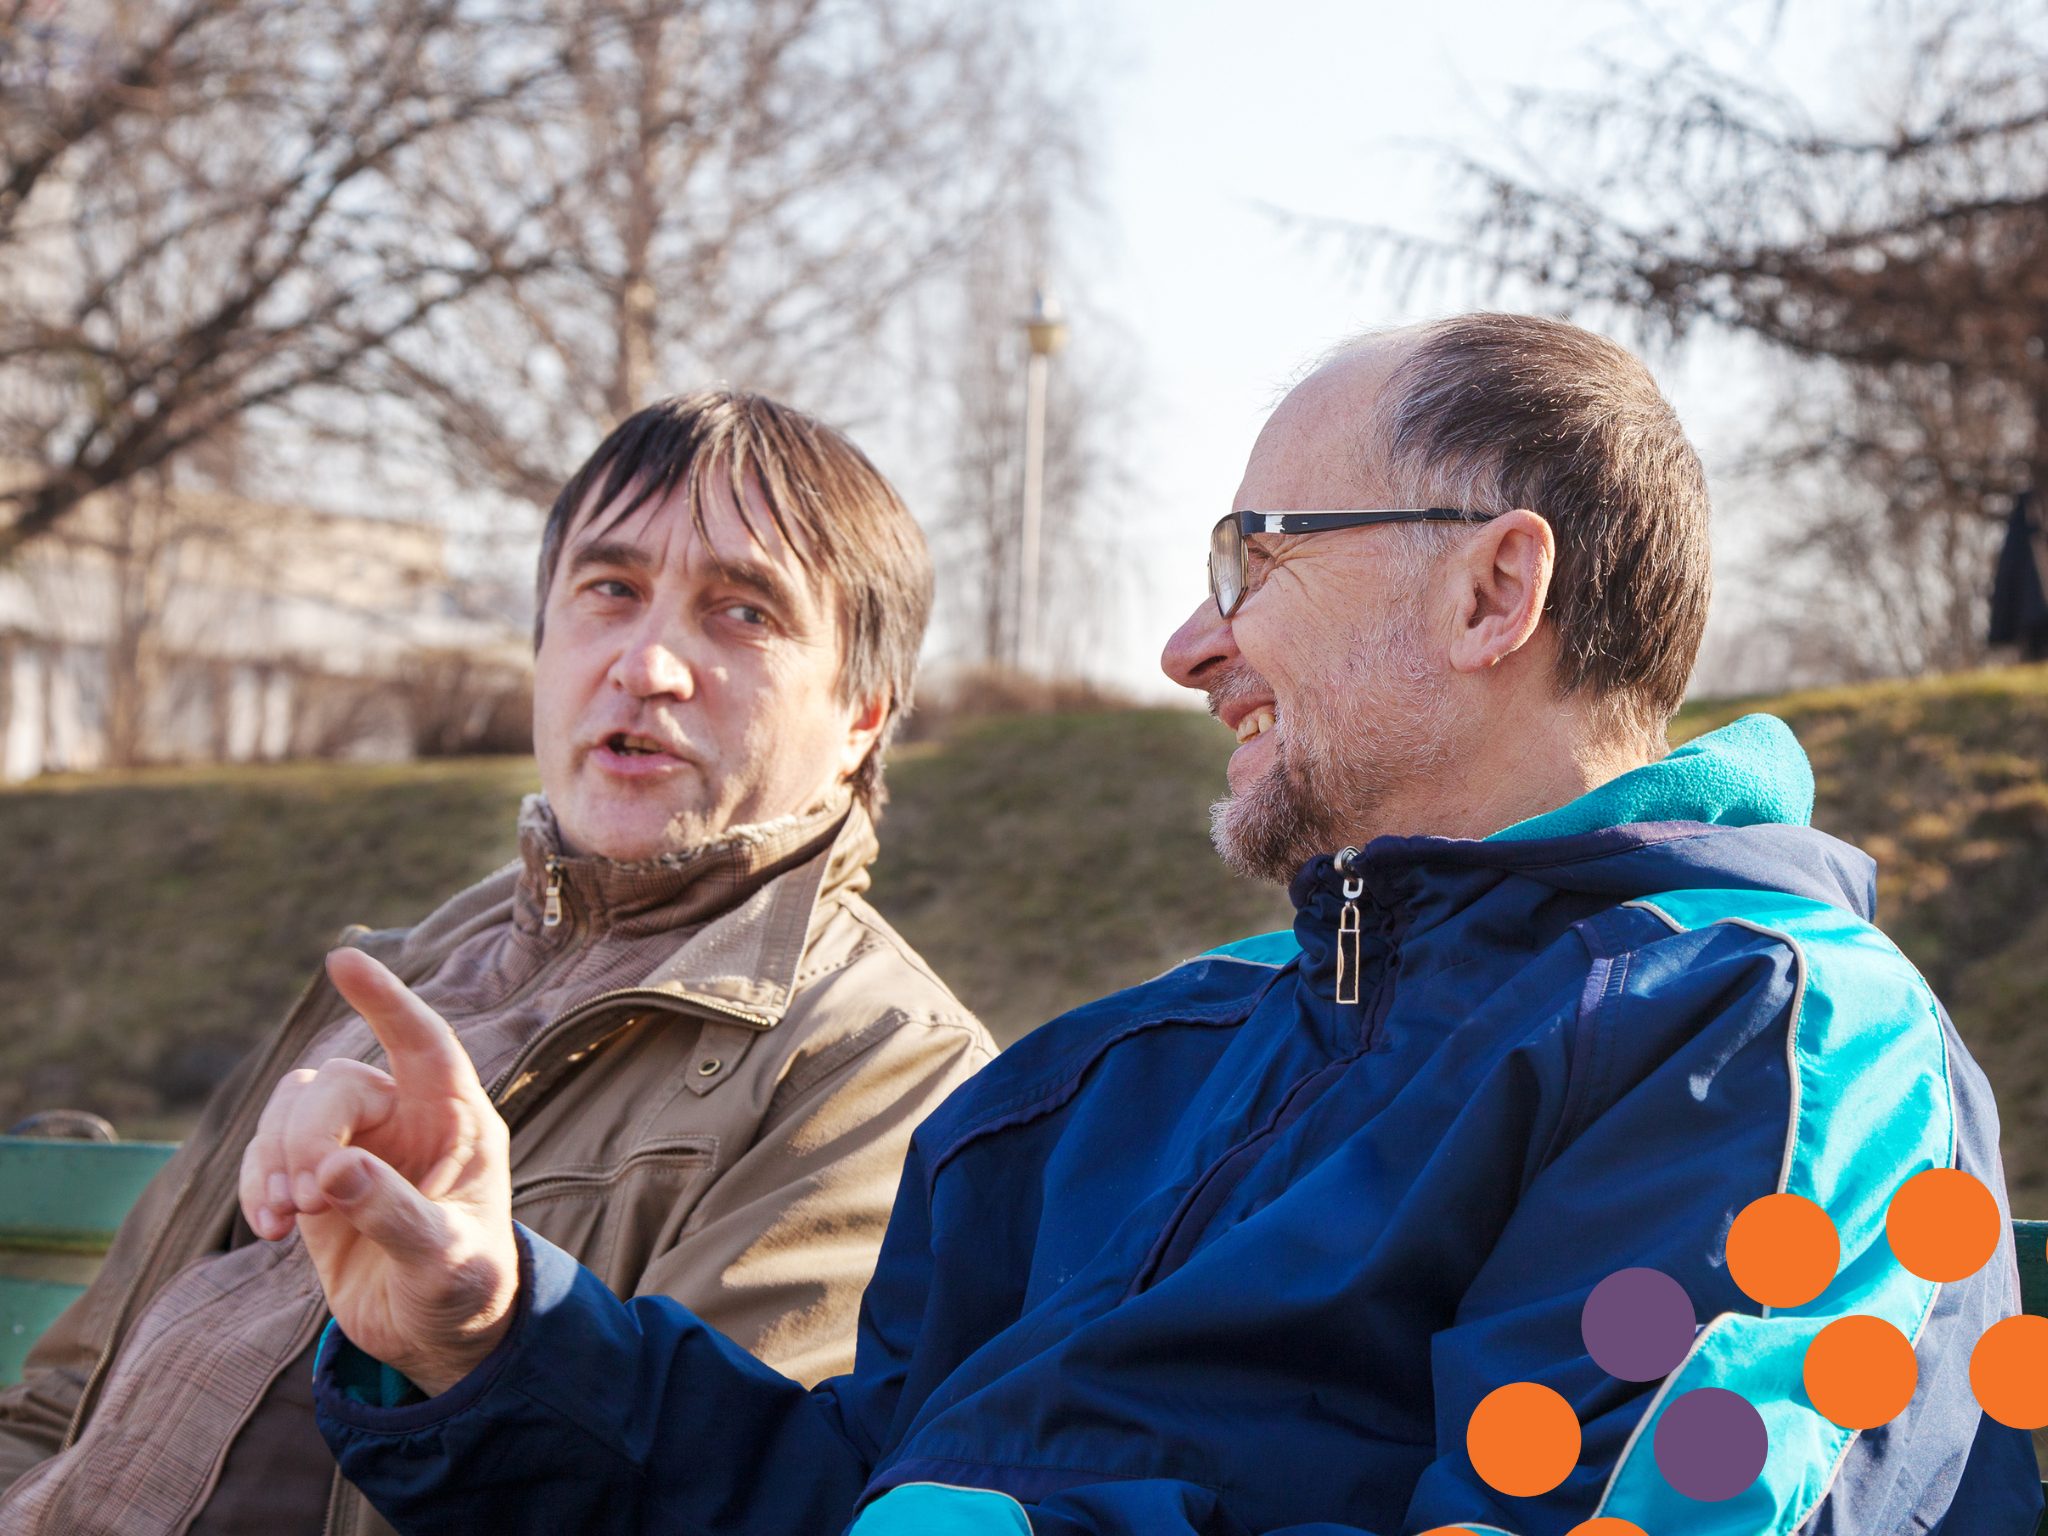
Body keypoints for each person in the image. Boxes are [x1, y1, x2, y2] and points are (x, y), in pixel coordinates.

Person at [272, 315, 2040, 1533]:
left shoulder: (1768, 1043)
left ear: (1496, 587)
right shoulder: (1112, 1081)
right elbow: (845, 1488)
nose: (1186, 648)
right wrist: (488, 1330)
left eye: (1246, 562)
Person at [0, 391, 994, 1536]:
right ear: (541, 642)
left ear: (863, 714)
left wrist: (471, 1329)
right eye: (609, 591)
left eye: (742, 612)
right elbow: (60, 1404)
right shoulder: (388, 981)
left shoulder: (884, 1070)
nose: (649, 665)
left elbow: (709, 1493)